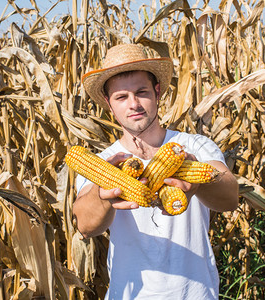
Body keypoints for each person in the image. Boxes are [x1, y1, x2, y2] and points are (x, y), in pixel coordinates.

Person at [72, 43, 239, 299]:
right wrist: (103, 194)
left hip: (194, 293)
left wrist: (197, 179)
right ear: (108, 103)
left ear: (157, 92)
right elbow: (84, 225)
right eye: (121, 97)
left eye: (142, 92)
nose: (134, 104)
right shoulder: (103, 162)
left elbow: (230, 198)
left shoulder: (195, 146)